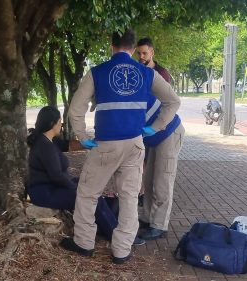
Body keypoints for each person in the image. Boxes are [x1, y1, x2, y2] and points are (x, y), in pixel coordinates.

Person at [60, 29, 181, 264]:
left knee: (87, 193)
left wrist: (83, 136)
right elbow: (173, 101)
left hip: (105, 144)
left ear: (111, 46)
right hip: (135, 144)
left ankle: (84, 243)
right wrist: (154, 127)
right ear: (134, 49)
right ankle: (122, 250)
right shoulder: (147, 73)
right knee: (128, 197)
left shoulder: (97, 72)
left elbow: (76, 108)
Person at [26, 106, 118, 239]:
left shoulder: (50, 140)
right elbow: (57, 176)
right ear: (52, 123)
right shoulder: (44, 146)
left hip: (54, 185)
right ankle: (115, 234)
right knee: (88, 195)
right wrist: (77, 188)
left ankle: (109, 223)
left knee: (89, 187)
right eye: (60, 122)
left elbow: (67, 145)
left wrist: (91, 143)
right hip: (44, 192)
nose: (61, 125)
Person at [136, 37, 185, 240]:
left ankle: (159, 226)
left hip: (168, 132)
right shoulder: (137, 74)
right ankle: (147, 219)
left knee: (163, 180)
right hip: (152, 137)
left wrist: (154, 127)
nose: (141, 57)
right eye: (138, 53)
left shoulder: (160, 75)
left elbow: (173, 102)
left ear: (152, 53)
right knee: (149, 180)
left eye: (144, 53)